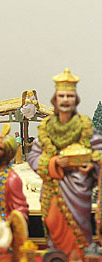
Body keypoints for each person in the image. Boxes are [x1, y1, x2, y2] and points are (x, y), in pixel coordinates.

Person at [27, 69, 102, 257]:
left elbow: (98, 152)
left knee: (79, 229)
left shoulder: (84, 127)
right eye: (62, 95)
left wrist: (92, 165)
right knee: (53, 224)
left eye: (70, 95)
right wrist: (54, 162)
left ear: (75, 99)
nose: (66, 99)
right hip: (53, 189)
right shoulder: (47, 129)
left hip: (78, 190)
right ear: (55, 99)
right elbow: (34, 156)